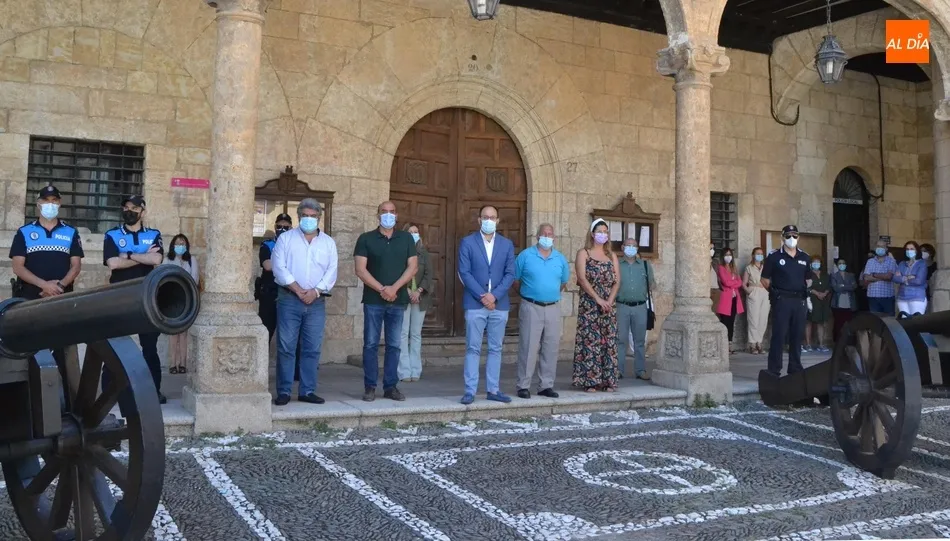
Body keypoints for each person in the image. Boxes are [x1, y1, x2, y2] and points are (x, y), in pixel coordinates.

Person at [271, 199, 337, 406]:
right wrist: (298, 290)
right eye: (305, 216)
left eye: (313, 216)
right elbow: (279, 267)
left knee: (312, 348)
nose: (309, 219)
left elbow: (332, 271)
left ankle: (307, 391)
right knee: (286, 346)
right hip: (290, 300)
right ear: (299, 217)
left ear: (319, 217)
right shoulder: (286, 239)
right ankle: (284, 391)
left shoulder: (328, 242)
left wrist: (315, 291)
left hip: (316, 302)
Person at [9, 184, 84, 365]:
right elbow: (18, 267)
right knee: (29, 349)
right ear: (38, 204)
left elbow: (76, 266)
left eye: (54, 200)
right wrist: (45, 285)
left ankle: (64, 391)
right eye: (46, 200)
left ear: (59, 204)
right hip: (30, 298)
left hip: (60, 297)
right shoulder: (24, 232)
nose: (50, 204)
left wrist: (58, 287)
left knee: (60, 348)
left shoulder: (70, 232)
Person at [102, 195, 166, 403]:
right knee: (115, 346)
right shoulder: (111, 235)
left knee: (149, 347)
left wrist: (127, 255)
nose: (130, 211)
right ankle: (109, 395)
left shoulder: (154, 234)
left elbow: (156, 259)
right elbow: (112, 263)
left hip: (147, 299)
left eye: (134, 208)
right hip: (119, 298)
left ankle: (152, 392)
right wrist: (141, 256)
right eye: (126, 207)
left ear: (143, 212)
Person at [354, 201, 417, 402]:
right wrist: (382, 289)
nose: (388, 215)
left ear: (396, 216)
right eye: (384, 212)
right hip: (374, 300)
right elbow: (360, 270)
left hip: (397, 300)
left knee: (394, 345)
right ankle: (370, 387)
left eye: (391, 212)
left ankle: (391, 386)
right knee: (371, 344)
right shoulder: (365, 238)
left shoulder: (406, 238)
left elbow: (412, 267)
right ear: (377, 215)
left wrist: (394, 288)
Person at [457, 204, 515, 405]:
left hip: (499, 305)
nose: (489, 220)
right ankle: (470, 391)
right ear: (479, 220)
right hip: (475, 304)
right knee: (473, 348)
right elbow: (464, 272)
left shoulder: (507, 244)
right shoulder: (467, 242)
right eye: (485, 217)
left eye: (493, 217)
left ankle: (493, 389)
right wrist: (483, 296)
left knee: (495, 348)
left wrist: (495, 296)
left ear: (498, 221)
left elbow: (510, 274)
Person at [514, 223, 570, 399]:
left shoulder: (560, 258)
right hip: (531, 306)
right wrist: (529, 294)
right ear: (537, 236)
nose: (547, 236)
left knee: (550, 347)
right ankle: (523, 385)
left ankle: (546, 385)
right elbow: (515, 280)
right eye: (544, 233)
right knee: (528, 347)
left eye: (550, 234)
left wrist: (548, 294)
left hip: (552, 307)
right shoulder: (525, 256)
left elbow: (563, 283)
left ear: (554, 238)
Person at [573, 219, 620, 393]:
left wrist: (609, 300)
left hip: (608, 305)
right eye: (599, 231)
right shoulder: (583, 253)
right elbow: (582, 279)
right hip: (590, 305)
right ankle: (590, 380)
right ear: (592, 234)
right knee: (590, 341)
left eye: (605, 232)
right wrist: (598, 299)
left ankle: (608, 380)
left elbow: (617, 281)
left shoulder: (611, 256)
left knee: (608, 341)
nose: (603, 234)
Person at [761, 224, 810, 378]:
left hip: (799, 301)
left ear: (799, 237)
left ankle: (795, 368)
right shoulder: (774, 257)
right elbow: (764, 279)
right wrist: (775, 293)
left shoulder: (805, 257)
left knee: (797, 336)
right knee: (779, 335)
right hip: (782, 300)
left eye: (795, 236)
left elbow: (808, 278)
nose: (791, 239)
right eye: (788, 236)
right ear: (782, 237)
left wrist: (805, 289)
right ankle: (774, 370)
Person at [258, 214, 302, 382]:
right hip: (270, 295)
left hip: (290, 294)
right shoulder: (267, 244)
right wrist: (285, 265)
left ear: (291, 227)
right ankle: (260, 369)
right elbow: (267, 266)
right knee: (266, 333)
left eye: (286, 226)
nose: (282, 229)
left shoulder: (296, 245)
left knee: (293, 336)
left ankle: (295, 373)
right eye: (279, 226)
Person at [398, 223, 433, 382]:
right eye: (411, 232)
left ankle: (415, 370)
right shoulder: (400, 251)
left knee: (416, 334)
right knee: (403, 333)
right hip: (404, 296)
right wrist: (407, 291)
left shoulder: (424, 254)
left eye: (416, 232)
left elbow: (428, 276)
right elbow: (398, 273)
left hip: (420, 298)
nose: (414, 234)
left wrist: (418, 291)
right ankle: (404, 371)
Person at [615, 236, 653, 380]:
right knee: (621, 339)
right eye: (628, 245)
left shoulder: (644, 265)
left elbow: (651, 284)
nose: (631, 248)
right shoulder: (617, 264)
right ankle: (618, 370)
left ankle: (640, 370)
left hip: (640, 306)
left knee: (639, 340)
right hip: (622, 305)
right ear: (622, 247)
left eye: (634, 245)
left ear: (637, 248)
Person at [163, 233, 199, 374]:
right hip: (172, 300)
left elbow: (194, 279)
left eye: (183, 244)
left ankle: (183, 363)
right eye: (178, 243)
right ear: (173, 245)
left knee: (183, 334)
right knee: (173, 333)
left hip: (186, 299)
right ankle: (173, 363)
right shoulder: (168, 260)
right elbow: (163, 277)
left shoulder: (191, 260)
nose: (180, 246)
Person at [715, 247, 744, 353]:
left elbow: (740, 282)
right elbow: (725, 282)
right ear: (723, 256)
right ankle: (723, 345)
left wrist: (732, 284)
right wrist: (734, 284)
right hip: (725, 298)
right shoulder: (721, 268)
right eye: (726, 255)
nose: (729, 257)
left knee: (731, 322)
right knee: (725, 321)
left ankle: (730, 344)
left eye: (730, 254)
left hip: (734, 298)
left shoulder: (734, 268)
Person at [742, 247, 769, 354]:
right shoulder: (749, 268)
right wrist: (749, 292)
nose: (759, 256)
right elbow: (743, 283)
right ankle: (752, 344)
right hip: (754, 291)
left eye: (761, 254)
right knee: (753, 318)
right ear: (753, 255)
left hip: (764, 292)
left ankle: (759, 343)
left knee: (763, 319)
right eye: (757, 254)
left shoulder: (766, 268)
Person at [860, 239, 898, 315]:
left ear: (886, 249)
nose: (880, 248)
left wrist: (873, 275)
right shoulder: (870, 261)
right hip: (873, 297)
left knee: (889, 322)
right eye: (878, 246)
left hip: (887, 296)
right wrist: (883, 277)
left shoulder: (891, 261)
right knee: (876, 322)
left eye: (882, 246)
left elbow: (889, 277)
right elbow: (866, 278)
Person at [893, 240, 929, 316]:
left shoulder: (921, 263)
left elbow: (919, 281)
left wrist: (902, 278)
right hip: (902, 298)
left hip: (917, 297)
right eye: (907, 249)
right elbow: (895, 278)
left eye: (912, 249)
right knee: (904, 323)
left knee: (916, 323)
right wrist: (908, 277)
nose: (909, 251)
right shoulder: (902, 263)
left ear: (917, 250)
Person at [804, 256, 831, 353]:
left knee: (821, 323)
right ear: (811, 264)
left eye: (818, 262)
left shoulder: (825, 275)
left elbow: (829, 286)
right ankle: (808, 344)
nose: (816, 264)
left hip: (823, 301)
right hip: (811, 300)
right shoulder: (808, 274)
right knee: (809, 322)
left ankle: (821, 344)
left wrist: (825, 293)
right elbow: (805, 287)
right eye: (814, 262)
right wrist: (816, 293)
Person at [830, 259, 858, 341]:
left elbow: (854, 287)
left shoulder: (851, 275)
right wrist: (847, 286)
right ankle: (837, 341)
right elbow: (836, 288)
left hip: (849, 303)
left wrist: (842, 286)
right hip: (838, 303)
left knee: (849, 323)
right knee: (838, 323)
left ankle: (848, 341)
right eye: (840, 263)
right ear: (837, 265)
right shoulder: (834, 276)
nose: (842, 265)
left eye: (843, 263)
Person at [921, 243, 937, 311]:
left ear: (930, 253)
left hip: (930, 296)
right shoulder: (918, 265)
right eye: (921, 251)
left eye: (924, 251)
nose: (922, 253)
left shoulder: (936, 266)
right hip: (919, 295)